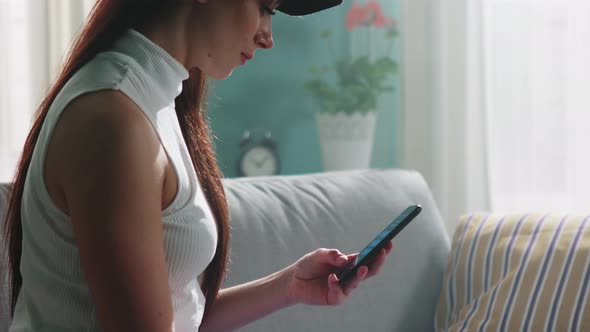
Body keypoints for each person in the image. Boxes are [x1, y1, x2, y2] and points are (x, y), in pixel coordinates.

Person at [3, 0, 394, 331]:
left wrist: (289, 285)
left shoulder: (152, 100)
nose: (268, 36)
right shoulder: (114, 120)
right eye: (263, 8)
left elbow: (177, 315)